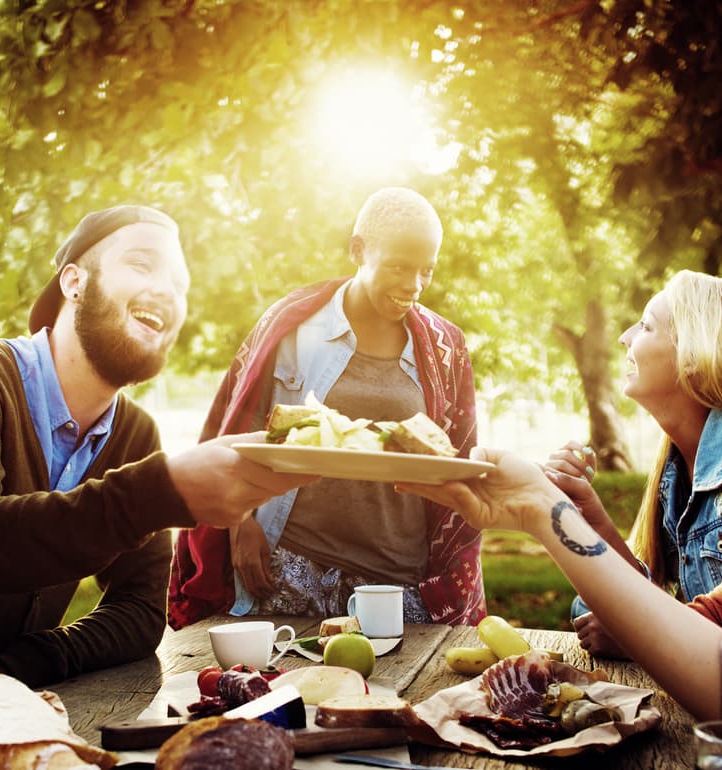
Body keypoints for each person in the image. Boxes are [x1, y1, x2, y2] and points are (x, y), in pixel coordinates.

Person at [0, 205, 316, 704]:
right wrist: (160, 493)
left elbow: (140, 613)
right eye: (143, 264)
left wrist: (27, 661)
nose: (167, 291)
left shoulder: (135, 433)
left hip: (7, 711)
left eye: (180, 285)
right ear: (74, 281)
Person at [168, 187, 485, 629]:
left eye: (425, 271)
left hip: (397, 577)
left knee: (395, 691)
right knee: (285, 691)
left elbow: (459, 457)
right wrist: (241, 524)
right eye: (398, 267)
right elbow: (237, 428)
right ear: (358, 249)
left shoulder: (444, 346)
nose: (413, 286)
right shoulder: (292, 325)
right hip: (291, 563)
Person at [396, 447, 722, 721]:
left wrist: (543, 506)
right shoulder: (672, 472)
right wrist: (543, 507)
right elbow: (705, 632)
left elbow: (713, 672)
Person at [543, 270, 722, 657]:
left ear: (693, 356)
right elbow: (647, 597)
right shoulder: (675, 472)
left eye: (645, 326)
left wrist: (636, 638)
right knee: (589, 605)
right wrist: (587, 516)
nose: (625, 337)